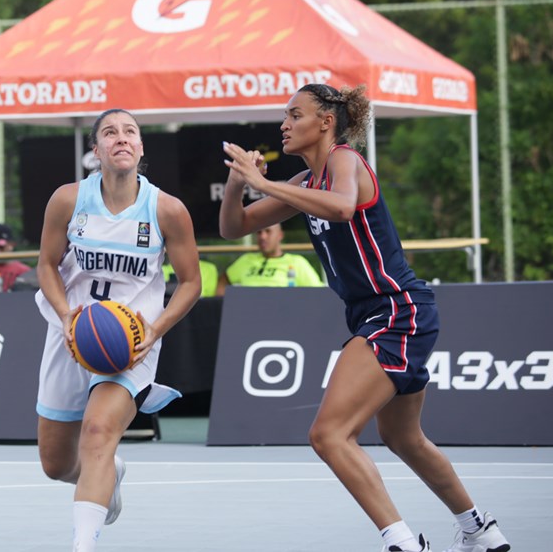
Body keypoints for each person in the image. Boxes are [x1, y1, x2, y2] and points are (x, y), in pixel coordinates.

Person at [219, 84, 510, 552]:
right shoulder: (303, 184)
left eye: (295, 114)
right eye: (285, 116)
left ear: (326, 122)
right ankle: (480, 529)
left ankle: (401, 541)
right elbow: (235, 227)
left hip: (395, 310)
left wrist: (264, 182)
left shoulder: (343, 161)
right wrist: (239, 181)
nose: (284, 124)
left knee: (329, 433)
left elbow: (343, 206)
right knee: (403, 437)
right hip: (384, 315)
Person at [35, 108, 201, 551]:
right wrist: (67, 316)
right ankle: (111, 471)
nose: (121, 138)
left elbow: (191, 283)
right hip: (71, 332)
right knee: (55, 464)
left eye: (130, 132)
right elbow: (46, 266)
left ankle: (83, 544)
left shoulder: (167, 210)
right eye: (110, 132)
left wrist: (155, 329)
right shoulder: (68, 200)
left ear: (141, 147)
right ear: (96, 150)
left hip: (130, 342)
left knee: (97, 433)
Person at [218, 222, 323, 293]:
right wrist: (224, 304)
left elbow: (319, 293)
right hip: (248, 314)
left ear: (280, 235)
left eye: (268, 231)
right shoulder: (246, 259)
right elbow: (224, 279)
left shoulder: (297, 262)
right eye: (259, 232)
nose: (262, 237)